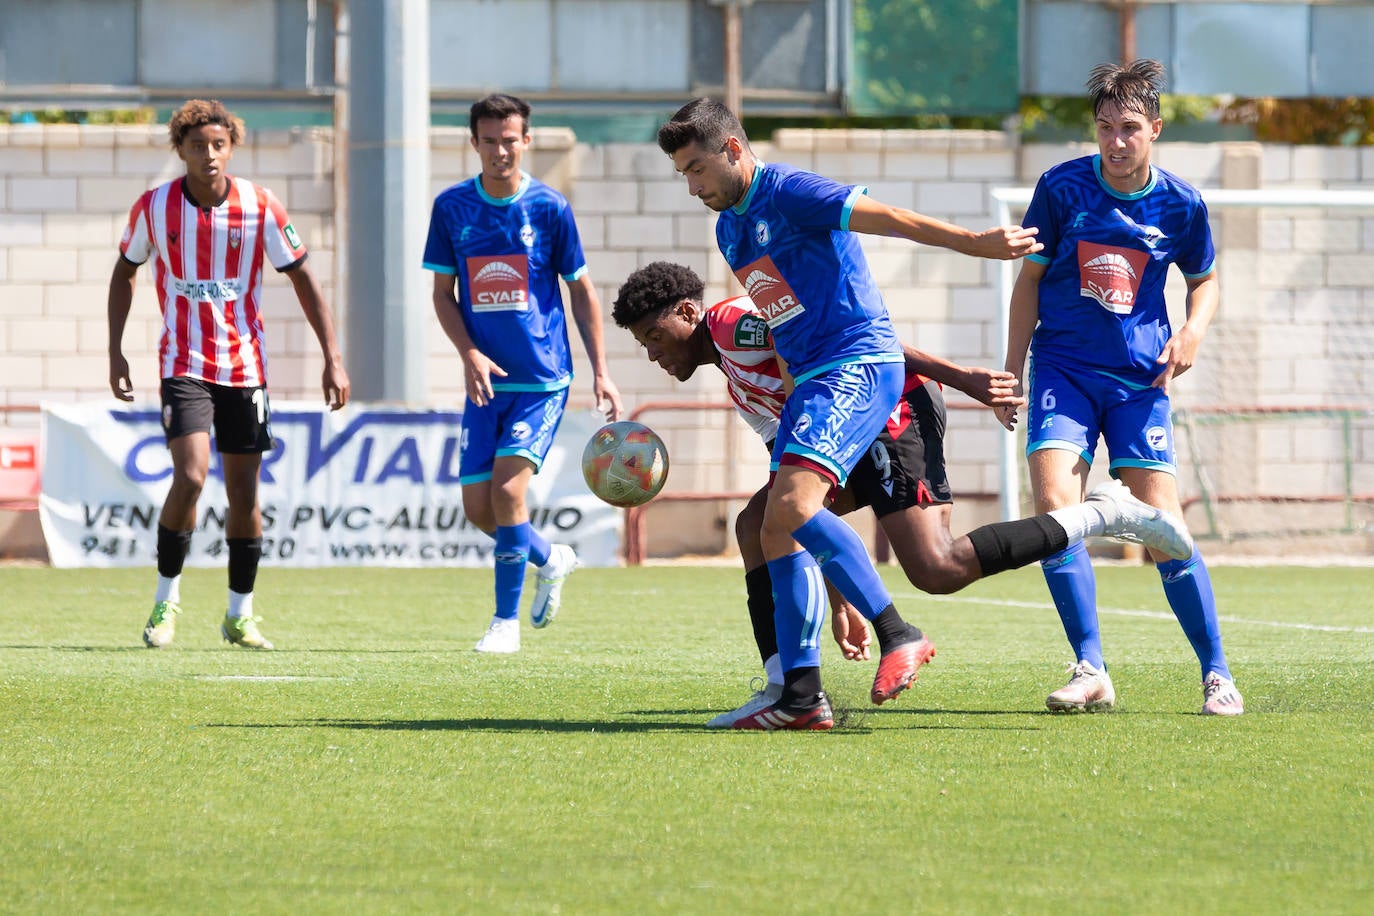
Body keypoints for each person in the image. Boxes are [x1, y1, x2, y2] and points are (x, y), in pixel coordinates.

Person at [612, 261, 1196, 727]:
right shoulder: (739, 382)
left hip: (892, 412)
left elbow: (859, 344)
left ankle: (1103, 513)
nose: (654, 354)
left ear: (689, 312)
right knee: (762, 525)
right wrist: (838, 600)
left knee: (935, 566)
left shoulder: (733, 324)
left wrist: (962, 377)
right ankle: (790, 687)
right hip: (850, 432)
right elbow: (801, 501)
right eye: (644, 345)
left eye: (656, 336)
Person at [658, 99, 1051, 731]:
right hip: (814, 379)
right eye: (682, 173)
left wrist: (973, 244)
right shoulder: (730, 230)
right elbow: (784, 321)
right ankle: (801, 697)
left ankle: (897, 631)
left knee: (797, 514)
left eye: (697, 167)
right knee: (774, 524)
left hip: (859, 364)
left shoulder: (790, 191)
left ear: (733, 149)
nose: (693, 184)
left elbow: (888, 218)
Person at [997, 60, 1243, 716]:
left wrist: (1192, 330)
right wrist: (1012, 370)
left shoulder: (1182, 204)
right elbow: (1028, 284)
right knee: (1054, 509)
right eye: (1105, 127)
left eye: (1130, 128)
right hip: (1065, 372)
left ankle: (1216, 672)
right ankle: (1090, 666)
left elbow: (1205, 280)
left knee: (1164, 527)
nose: (1116, 140)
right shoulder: (1060, 189)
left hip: (1140, 383)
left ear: (1155, 130)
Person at [108, 98, 350, 651]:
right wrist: (115, 350)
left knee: (244, 494)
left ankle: (239, 615)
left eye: (218, 145)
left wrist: (332, 356)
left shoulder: (260, 205)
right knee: (191, 477)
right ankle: (165, 601)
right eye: (197, 146)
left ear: (231, 147)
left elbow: (304, 278)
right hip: (183, 365)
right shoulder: (154, 207)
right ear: (181, 151)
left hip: (245, 368)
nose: (209, 155)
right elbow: (124, 273)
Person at [423, 93, 622, 654]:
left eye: (510, 139)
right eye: (489, 140)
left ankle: (503, 624)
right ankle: (550, 557)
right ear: (474, 143)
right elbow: (442, 295)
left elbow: (581, 291)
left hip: (539, 378)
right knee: (480, 510)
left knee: (509, 491)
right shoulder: (451, 208)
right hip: (484, 383)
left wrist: (600, 371)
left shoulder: (550, 208)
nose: (500, 150)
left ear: (525, 141)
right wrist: (467, 353)